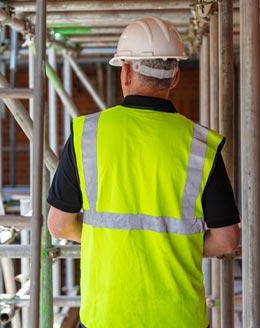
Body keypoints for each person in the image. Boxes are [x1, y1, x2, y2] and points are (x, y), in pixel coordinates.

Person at [47, 16, 240, 328]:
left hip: (106, 316)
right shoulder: (200, 145)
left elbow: (59, 225)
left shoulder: (88, 134)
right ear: (175, 77)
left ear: (125, 71)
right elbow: (228, 241)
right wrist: (171, 246)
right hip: (179, 318)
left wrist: (112, 244)